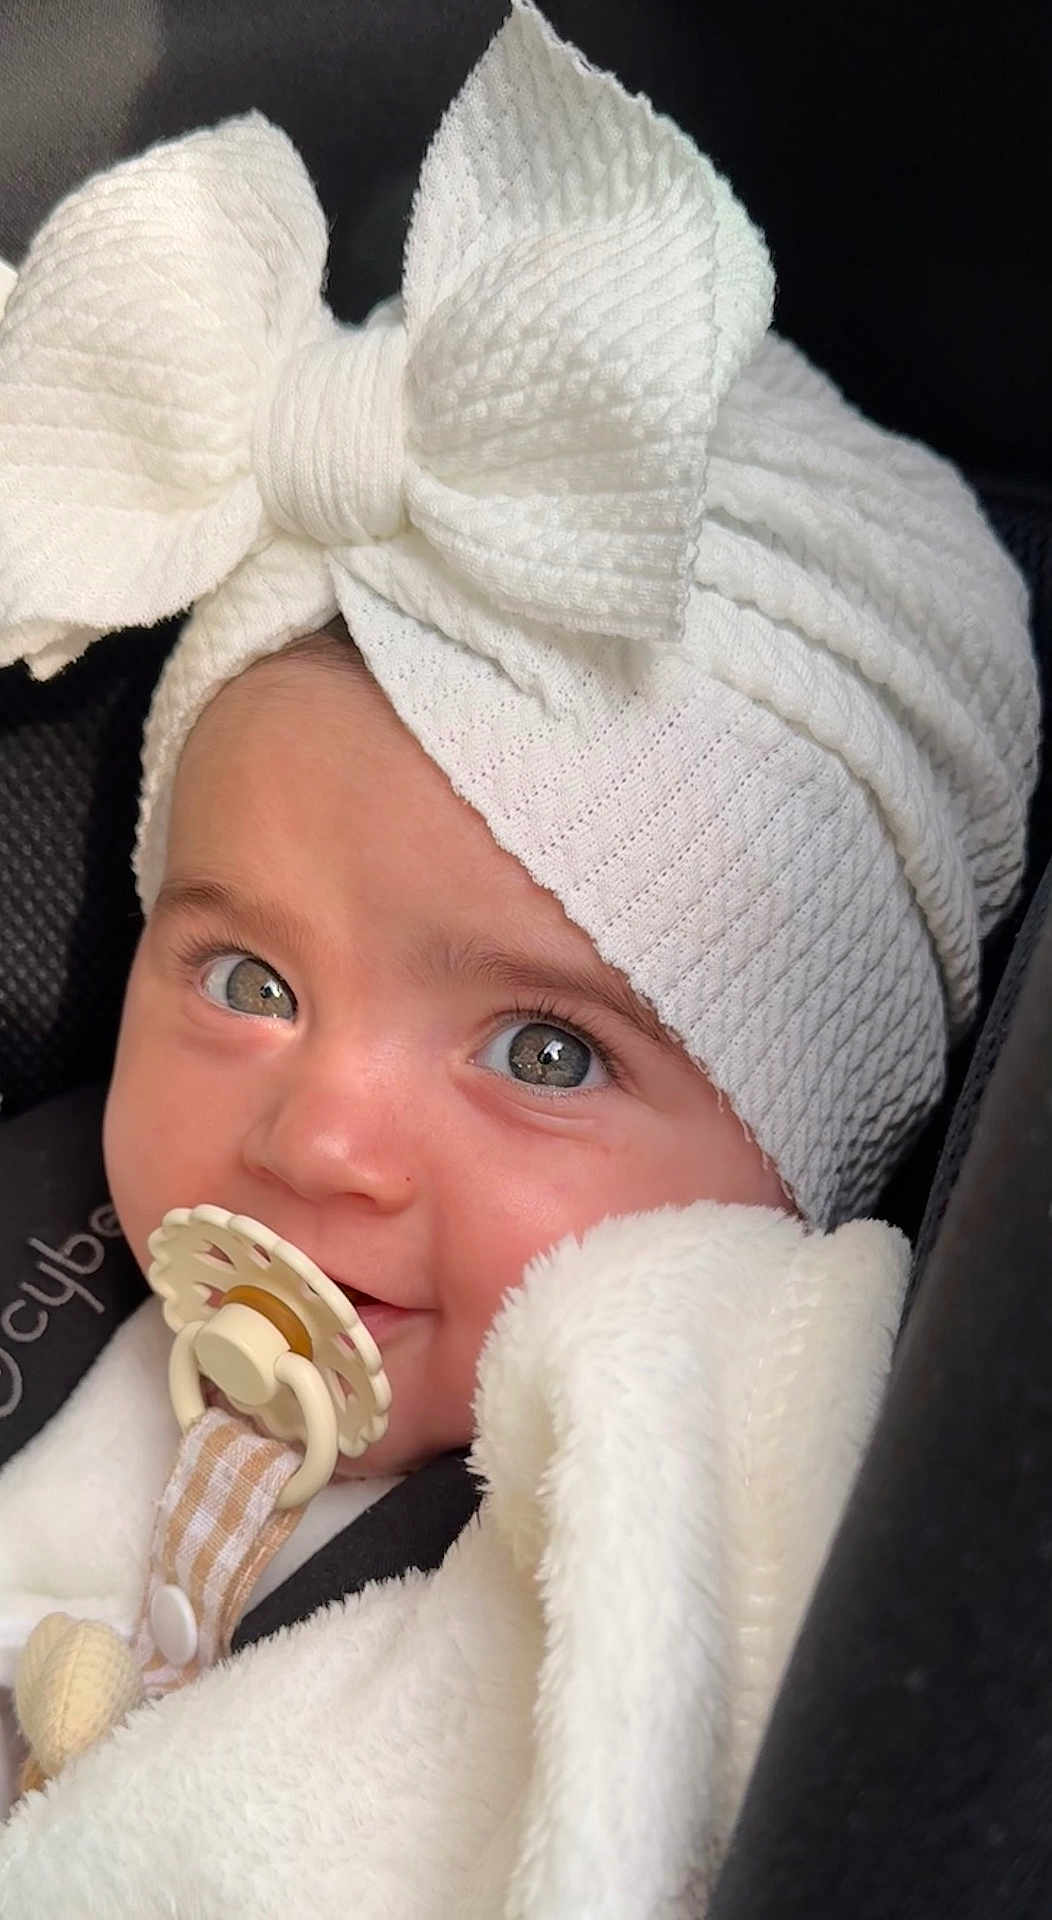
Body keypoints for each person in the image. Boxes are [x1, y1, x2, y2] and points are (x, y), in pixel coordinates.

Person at [0, 2, 1038, 1911]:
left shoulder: (701, 1478)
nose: (321, 1143)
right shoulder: (49, 1232)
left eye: (547, 1055)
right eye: (246, 983)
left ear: (801, 1169)